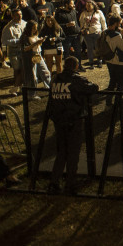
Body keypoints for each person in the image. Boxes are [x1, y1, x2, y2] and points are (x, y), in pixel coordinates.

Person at [47, 57, 99, 194]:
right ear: (76, 66)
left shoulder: (55, 79)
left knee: (61, 152)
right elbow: (93, 88)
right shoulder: (76, 80)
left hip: (59, 120)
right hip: (73, 120)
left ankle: (54, 181)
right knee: (73, 153)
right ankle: (70, 183)